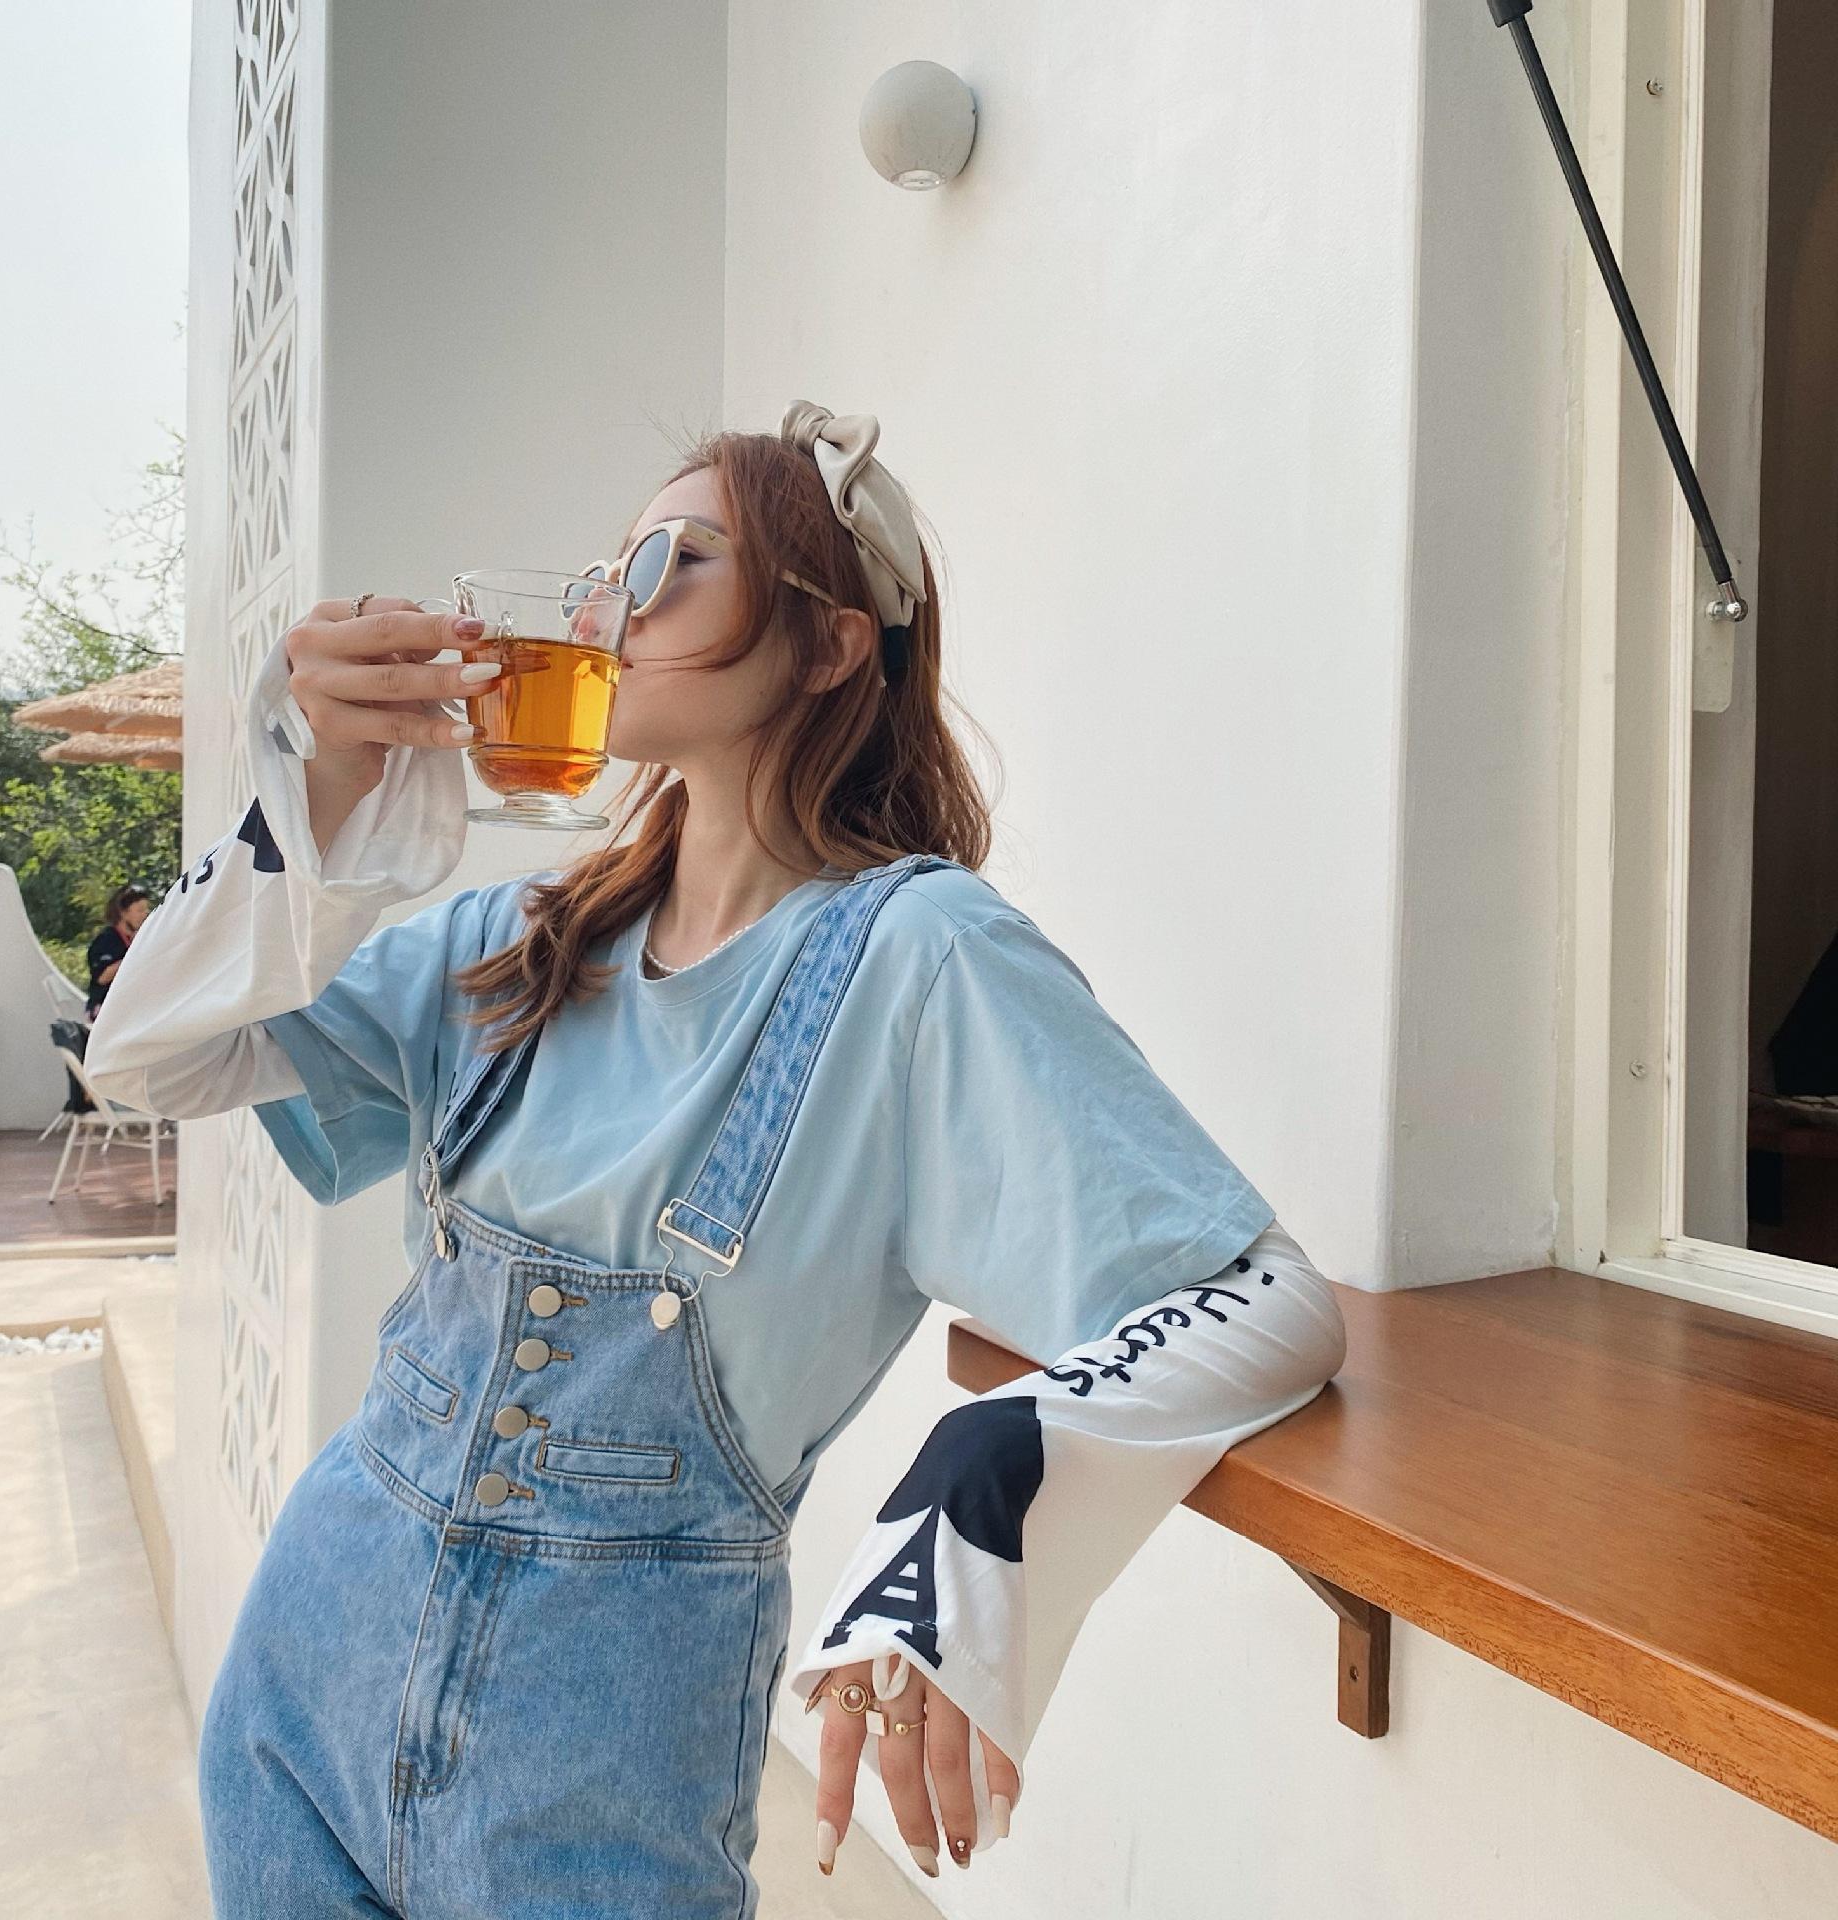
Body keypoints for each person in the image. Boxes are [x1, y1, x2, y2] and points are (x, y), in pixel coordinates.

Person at [86, 400, 1347, 1916]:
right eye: (609, 569)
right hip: (302, 1691)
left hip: (589, 1786)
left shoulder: (920, 960)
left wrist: (974, 1494)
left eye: (675, 562)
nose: (609, 609)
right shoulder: (518, 942)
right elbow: (148, 1055)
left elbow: (1261, 1296)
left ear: (830, 646)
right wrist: (317, 789)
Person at [83, 883, 151, 1019]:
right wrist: (134, 955)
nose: (145, 914)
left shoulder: (142, 939)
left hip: (134, 1008)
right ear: (124, 913)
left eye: (146, 910)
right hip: (105, 1010)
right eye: (140, 910)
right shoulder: (105, 941)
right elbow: (102, 977)